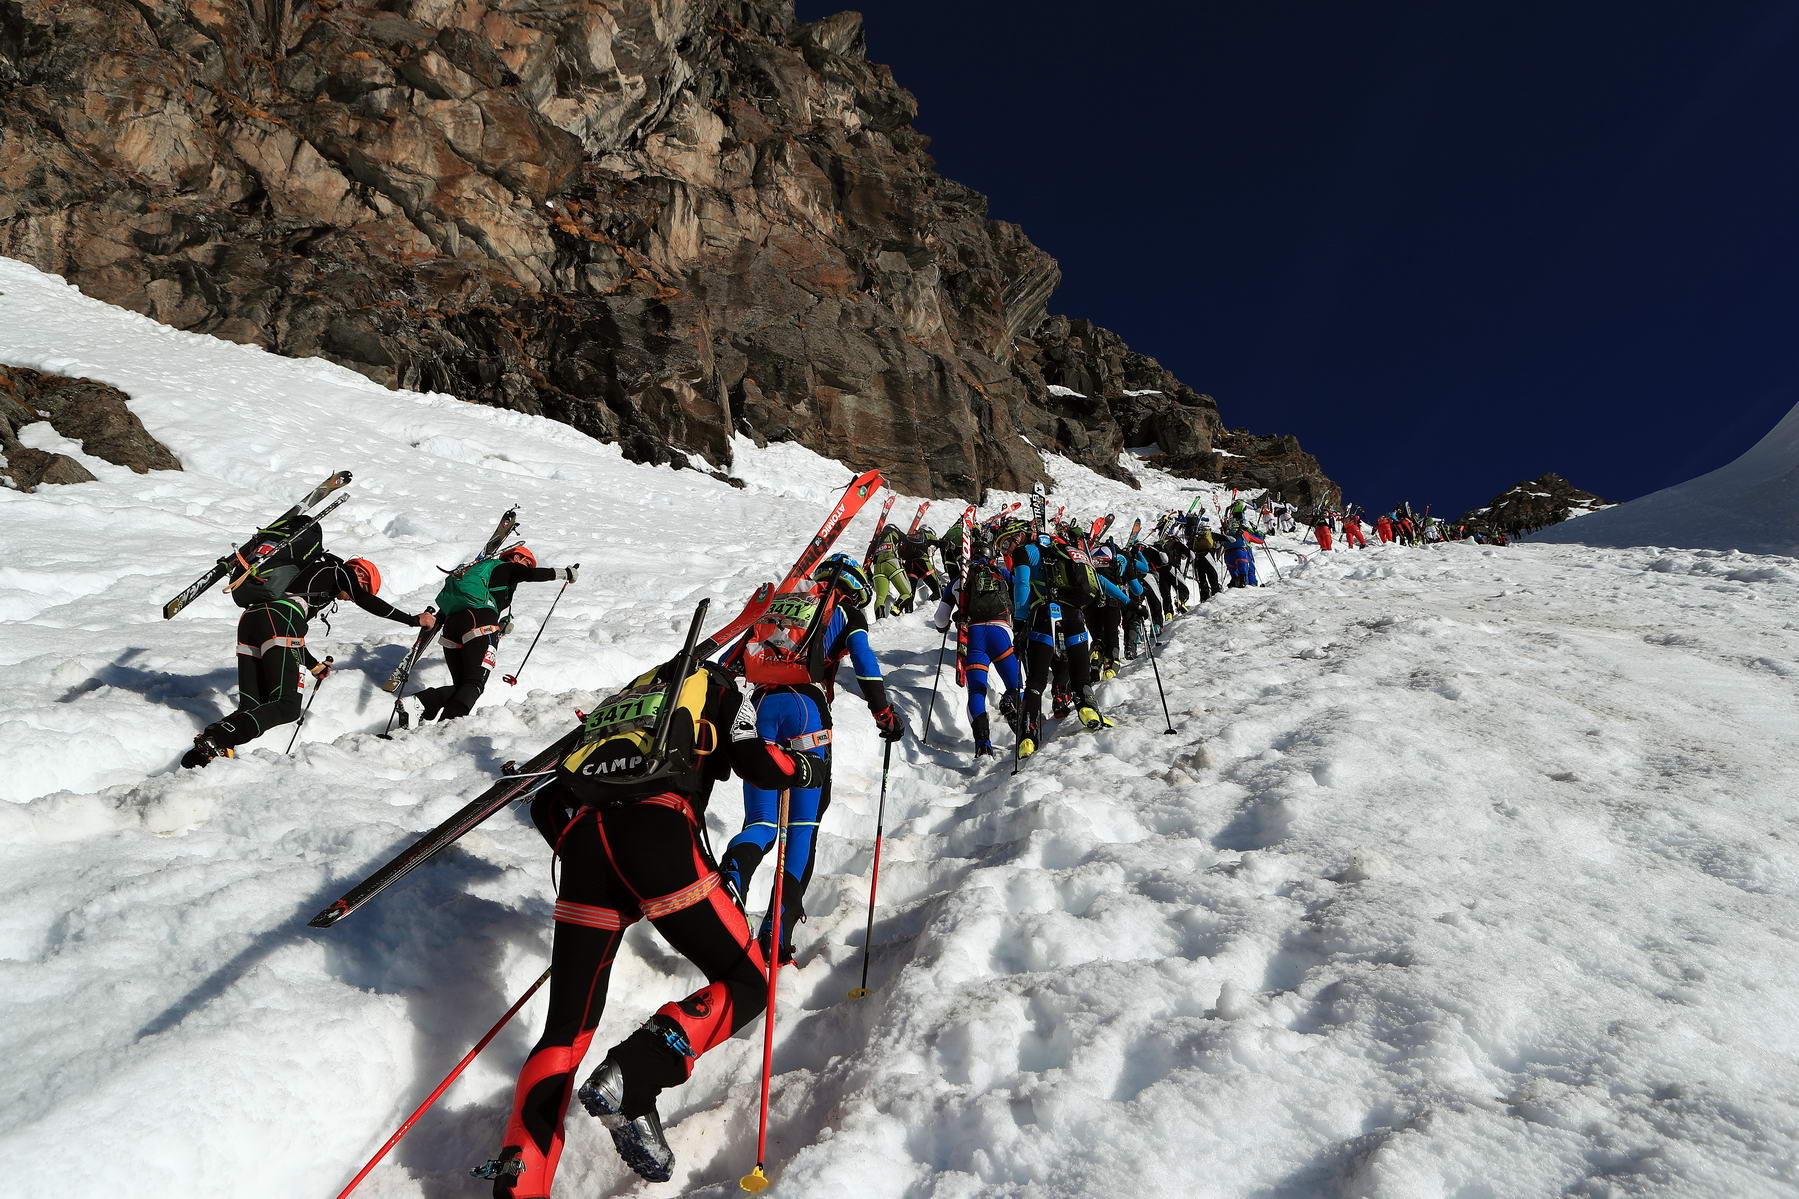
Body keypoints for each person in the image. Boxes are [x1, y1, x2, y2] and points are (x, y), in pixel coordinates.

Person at [477, 642, 823, 1194]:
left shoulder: (631, 697)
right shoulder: (717, 687)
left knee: (563, 1032)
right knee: (750, 982)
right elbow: (758, 761)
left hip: (585, 850)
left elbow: (547, 803)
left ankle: (520, 1174)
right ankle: (638, 1073)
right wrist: (801, 766)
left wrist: (602, 874)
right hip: (660, 836)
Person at [719, 554, 904, 965]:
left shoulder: (780, 607)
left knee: (761, 823)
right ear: (857, 586)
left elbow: (730, 662)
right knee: (801, 828)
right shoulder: (844, 611)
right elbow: (865, 661)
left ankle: (732, 880)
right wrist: (883, 711)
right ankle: (776, 933)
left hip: (761, 708)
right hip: (808, 710)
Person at [181, 552, 433, 767]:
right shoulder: (338, 570)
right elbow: (365, 601)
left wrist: (313, 665)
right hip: (279, 618)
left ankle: (205, 752)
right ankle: (219, 738)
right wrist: (412, 620)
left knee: (253, 706)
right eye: (362, 588)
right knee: (287, 705)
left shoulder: (310, 580)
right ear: (361, 575)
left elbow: (290, 639)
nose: (351, 598)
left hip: (252, 620)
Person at [410, 545, 576, 722]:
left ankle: (420, 703)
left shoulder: (480, 575)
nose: (528, 567)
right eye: (527, 563)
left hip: (452, 627)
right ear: (517, 557)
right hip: (480, 623)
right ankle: (445, 729)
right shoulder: (506, 566)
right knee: (474, 685)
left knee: (463, 687)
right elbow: (532, 575)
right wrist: (564, 573)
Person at [1008, 521, 1110, 757]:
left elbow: (1021, 584)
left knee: (1036, 680)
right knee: (1080, 673)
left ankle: (1028, 736)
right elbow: (1098, 584)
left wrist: (1020, 621)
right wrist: (1127, 602)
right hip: (1074, 615)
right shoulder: (1069, 553)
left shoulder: (1027, 551)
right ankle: (1088, 709)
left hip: (1043, 615)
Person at [931, 530, 1023, 757]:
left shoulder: (958, 580)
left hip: (974, 638)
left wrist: (944, 627)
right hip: (1001, 634)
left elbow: (940, 619)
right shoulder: (1000, 573)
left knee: (977, 691)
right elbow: (1019, 591)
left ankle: (983, 744)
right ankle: (1012, 709)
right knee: (1015, 685)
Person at [867, 524, 912, 619]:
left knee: (880, 597)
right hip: (892, 563)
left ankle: (880, 620)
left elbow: (868, 559)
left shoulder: (876, 541)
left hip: (877, 568)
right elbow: (907, 541)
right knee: (907, 593)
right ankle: (896, 608)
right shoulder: (894, 533)